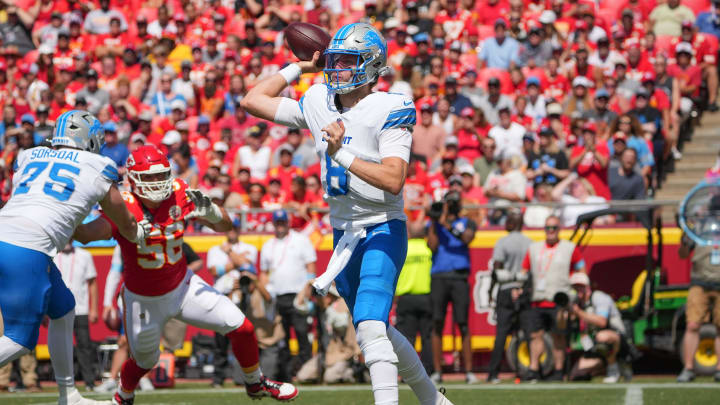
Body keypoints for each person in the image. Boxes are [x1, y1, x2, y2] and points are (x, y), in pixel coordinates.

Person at [240, 22, 452, 405]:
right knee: (376, 330)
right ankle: (434, 401)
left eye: (346, 61)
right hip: (343, 236)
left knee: (371, 326)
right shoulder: (319, 99)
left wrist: (342, 154)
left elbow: (393, 179)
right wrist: (299, 69)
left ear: (371, 66)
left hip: (382, 228)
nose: (336, 69)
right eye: (334, 60)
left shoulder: (390, 105)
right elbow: (253, 100)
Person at [74, 145, 297, 404]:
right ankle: (123, 395)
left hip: (182, 286)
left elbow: (225, 225)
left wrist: (213, 213)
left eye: (161, 175)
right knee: (145, 360)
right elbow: (88, 234)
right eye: (150, 177)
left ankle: (255, 382)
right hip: (143, 298)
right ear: (133, 179)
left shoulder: (179, 193)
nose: (157, 183)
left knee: (242, 327)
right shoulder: (123, 205)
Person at [0, 110, 146, 405]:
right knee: (19, 339)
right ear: (89, 139)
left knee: (64, 308)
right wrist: (139, 234)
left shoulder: (30, 155)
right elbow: (124, 224)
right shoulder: (98, 165)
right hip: (27, 247)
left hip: (10, 232)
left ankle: (69, 395)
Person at [520, 215, 587, 382]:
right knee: (535, 336)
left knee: (559, 338)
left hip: (559, 300)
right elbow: (523, 271)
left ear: (559, 229)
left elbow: (581, 270)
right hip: (538, 299)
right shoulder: (534, 248)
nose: (550, 231)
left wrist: (577, 291)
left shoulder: (569, 248)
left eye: (554, 228)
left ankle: (558, 372)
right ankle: (534, 370)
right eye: (547, 228)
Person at [426, 191, 478, 384]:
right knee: (437, 323)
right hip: (439, 276)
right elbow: (432, 246)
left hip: (459, 277)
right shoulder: (434, 225)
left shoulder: (467, 222)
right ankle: (438, 371)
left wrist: (445, 224)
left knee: (463, 324)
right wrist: (434, 221)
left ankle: (469, 371)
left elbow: (467, 239)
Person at [259, 210, 317, 378]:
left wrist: (307, 291)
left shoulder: (301, 240)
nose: (280, 226)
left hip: (297, 295)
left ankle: (307, 372)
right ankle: (284, 374)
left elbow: (310, 266)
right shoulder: (268, 245)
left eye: (283, 222)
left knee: (301, 333)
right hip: (277, 296)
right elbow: (263, 272)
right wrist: (265, 292)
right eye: (277, 223)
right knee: (280, 337)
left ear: (288, 222)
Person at [207, 225, 260, 387]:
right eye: (229, 228)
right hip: (221, 296)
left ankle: (243, 376)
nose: (232, 231)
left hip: (241, 296)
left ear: (239, 230)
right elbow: (215, 271)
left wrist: (229, 253)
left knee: (242, 338)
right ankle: (218, 378)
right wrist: (238, 261)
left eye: (235, 228)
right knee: (220, 341)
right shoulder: (215, 249)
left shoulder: (248, 247)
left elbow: (249, 267)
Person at [487, 210, 531, 383]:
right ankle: (529, 371)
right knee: (526, 332)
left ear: (513, 223)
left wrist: (491, 290)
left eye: (508, 221)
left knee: (501, 334)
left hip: (505, 289)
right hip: (523, 289)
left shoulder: (503, 242)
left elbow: (497, 269)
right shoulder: (530, 243)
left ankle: (493, 373)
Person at [568, 272, 631, 383]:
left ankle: (615, 368)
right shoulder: (577, 304)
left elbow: (602, 322)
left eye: (580, 287)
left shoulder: (599, 297)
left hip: (616, 338)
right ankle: (606, 366)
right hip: (594, 344)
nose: (577, 290)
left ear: (587, 287)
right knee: (577, 375)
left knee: (602, 337)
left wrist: (578, 312)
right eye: (574, 288)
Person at [54, 242, 99, 390]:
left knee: (84, 346)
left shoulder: (84, 255)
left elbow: (92, 282)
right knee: (59, 345)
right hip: (59, 308)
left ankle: (89, 382)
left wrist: (93, 308)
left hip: (80, 308)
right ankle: (62, 382)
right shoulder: (53, 255)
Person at [677, 230, 720, 382]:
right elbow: (682, 255)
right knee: (692, 325)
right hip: (699, 282)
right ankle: (688, 368)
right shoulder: (699, 229)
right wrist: (683, 241)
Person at [395, 218, 434, 375]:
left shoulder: (402, 249)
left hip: (406, 298)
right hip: (426, 296)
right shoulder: (429, 250)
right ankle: (428, 370)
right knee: (427, 337)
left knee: (407, 338)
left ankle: (408, 372)